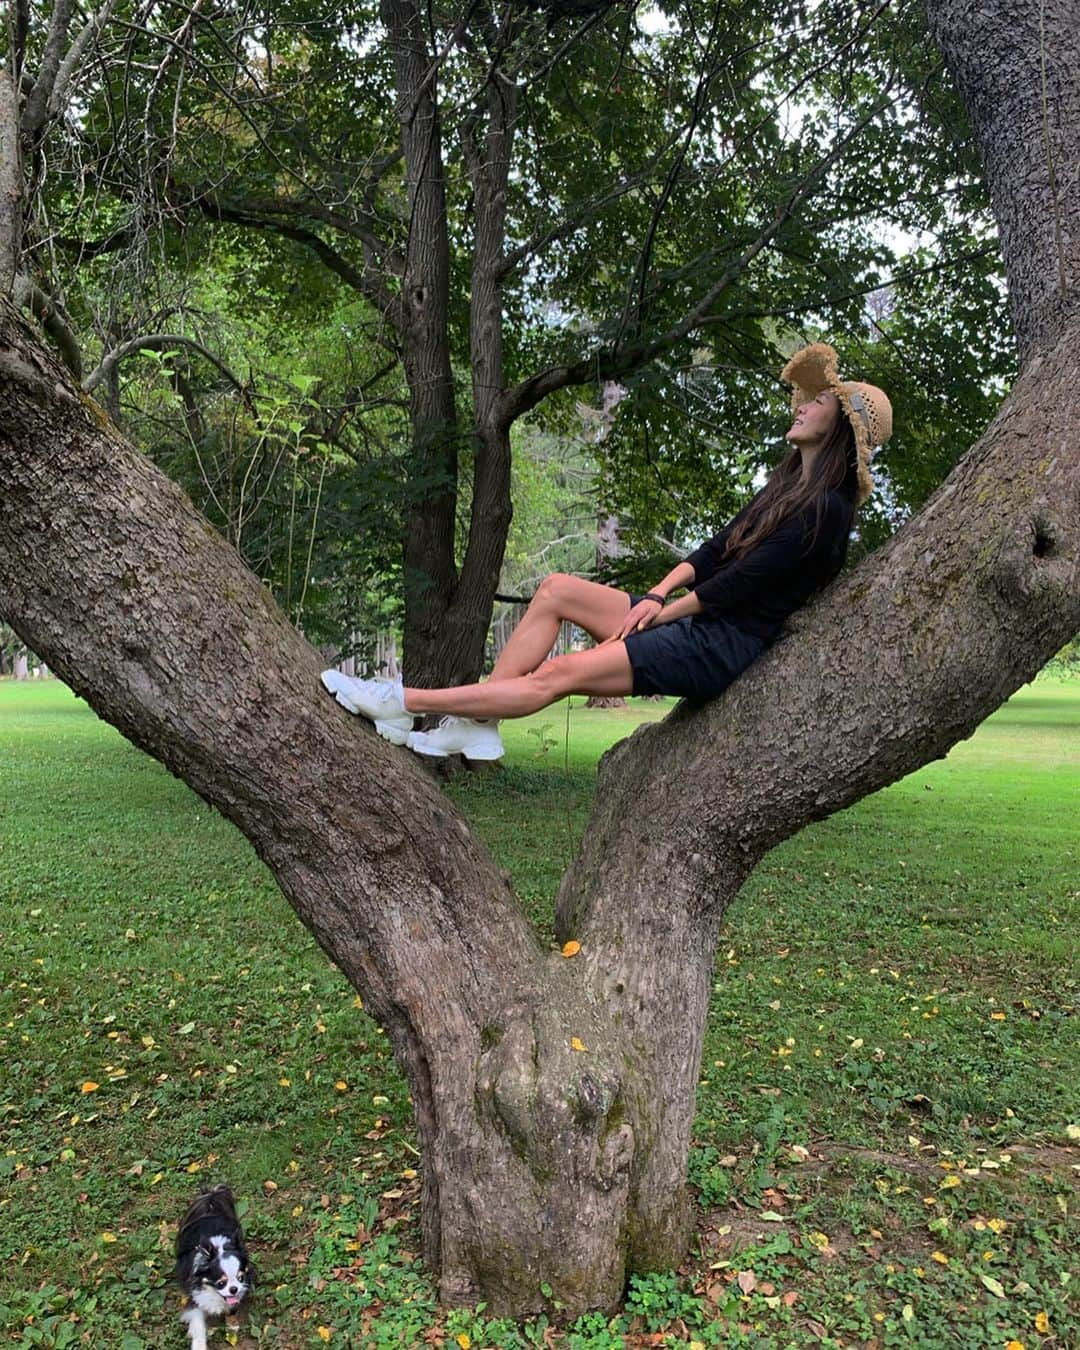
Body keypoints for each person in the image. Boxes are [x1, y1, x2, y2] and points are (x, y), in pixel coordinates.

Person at [321, 342, 892, 761]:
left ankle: (403, 700)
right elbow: (717, 550)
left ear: (840, 426)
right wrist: (655, 594)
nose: (800, 406)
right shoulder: (786, 487)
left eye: (816, 402)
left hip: (720, 644)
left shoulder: (828, 513)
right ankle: (478, 723)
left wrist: (661, 614)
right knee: (556, 590)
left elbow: (741, 584)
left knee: (561, 672)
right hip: (689, 615)